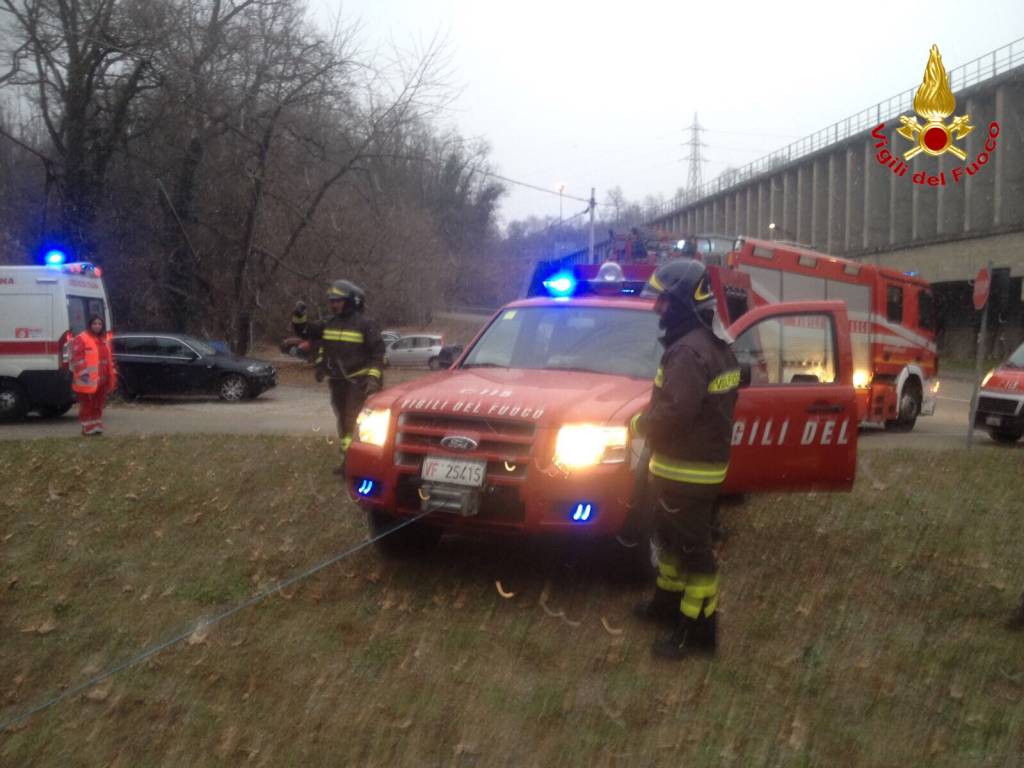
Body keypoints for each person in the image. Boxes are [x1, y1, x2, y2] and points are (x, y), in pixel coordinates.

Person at [629, 259, 741, 660]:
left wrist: (641, 424)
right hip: (694, 469)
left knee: (695, 555)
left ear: (680, 303)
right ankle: (666, 604)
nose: (658, 309)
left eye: (663, 301)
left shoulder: (688, 353)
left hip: (686, 473)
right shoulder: (711, 343)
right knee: (672, 542)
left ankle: (697, 630)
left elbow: (675, 412)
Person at [292, 281, 384, 474]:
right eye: (332, 301)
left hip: (358, 382)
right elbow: (305, 331)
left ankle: (360, 463)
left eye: (338, 301)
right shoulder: (330, 323)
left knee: (353, 420)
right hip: (338, 381)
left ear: (351, 301)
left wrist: (373, 379)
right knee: (343, 420)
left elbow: (378, 354)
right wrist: (299, 316)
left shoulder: (365, 325)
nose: (333, 305)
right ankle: (348, 461)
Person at [70, 314, 118, 436]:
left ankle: (96, 424)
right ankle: (87, 426)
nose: (97, 326)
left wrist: (111, 376)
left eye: (99, 324)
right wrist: (83, 374)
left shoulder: (104, 340)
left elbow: (108, 360)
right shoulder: (82, 338)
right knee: (87, 404)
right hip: (86, 379)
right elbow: (77, 358)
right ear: (90, 325)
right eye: (94, 324)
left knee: (98, 404)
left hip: (101, 379)